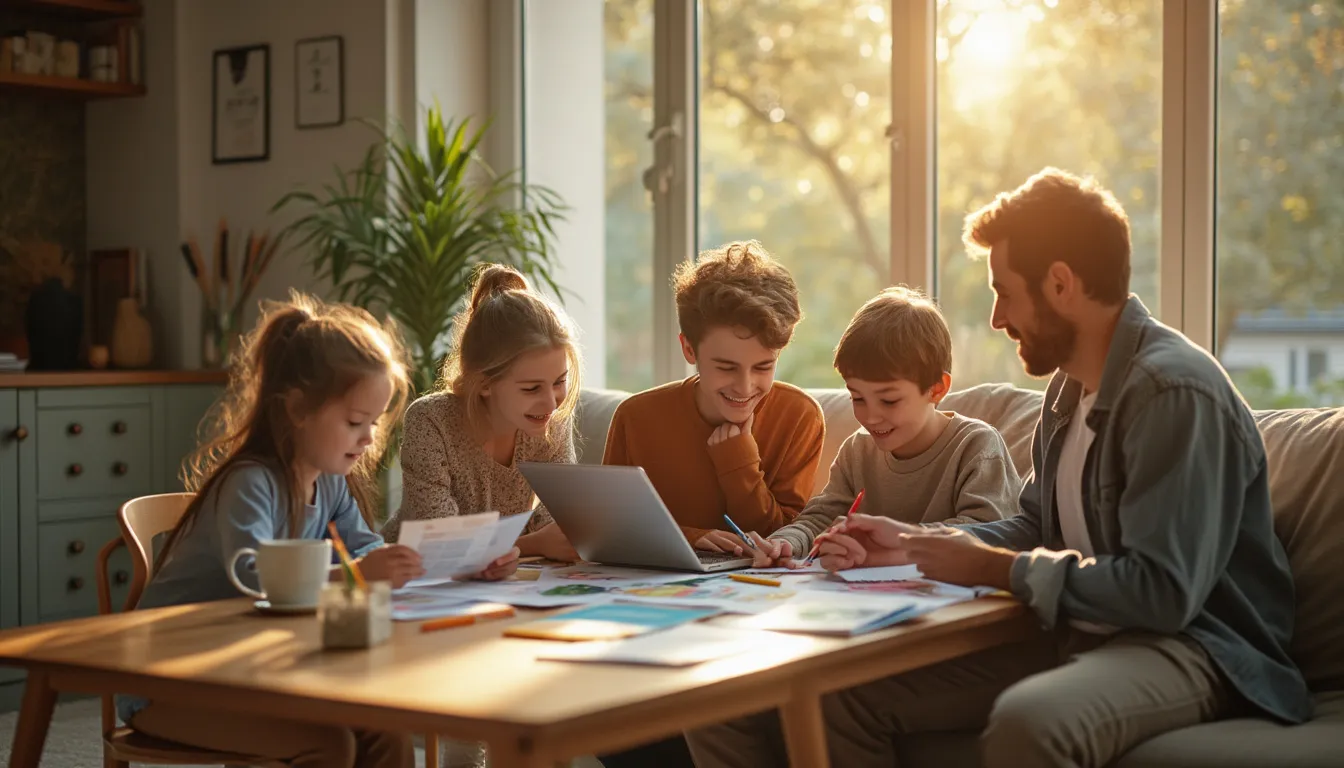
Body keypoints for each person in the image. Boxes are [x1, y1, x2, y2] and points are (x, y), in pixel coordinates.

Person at [688, 167, 1312, 768]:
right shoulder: (1072, 390)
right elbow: (1036, 523)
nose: (996, 318)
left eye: (1004, 292)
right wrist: (916, 545)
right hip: (1081, 632)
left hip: (1197, 647)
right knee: (837, 695)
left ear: (1061, 284)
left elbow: (1164, 593)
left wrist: (993, 568)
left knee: (1030, 721)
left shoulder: (1172, 392)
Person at [117, 294, 514, 767]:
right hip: (169, 680)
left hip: (249, 667)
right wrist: (357, 575)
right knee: (328, 745)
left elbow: (366, 549)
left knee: (386, 726)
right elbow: (253, 576)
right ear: (297, 410)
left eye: (373, 422)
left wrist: (464, 562)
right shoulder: (251, 482)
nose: (368, 438)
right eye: (353, 422)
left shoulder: (328, 483)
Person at [599, 240, 825, 768]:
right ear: (688, 349)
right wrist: (695, 535)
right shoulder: (638, 418)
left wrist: (739, 462)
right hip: (652, 615)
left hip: (756, 617)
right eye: (726, 366)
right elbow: (611, 532)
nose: (746, 387)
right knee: (609, 717)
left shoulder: (798, 416)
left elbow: (783, 537)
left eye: (764, 367)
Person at [749, 286, 1017, 569]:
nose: (871, 416)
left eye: (889, 400)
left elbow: (989, 533)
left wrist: (895, 541)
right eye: (857, 398)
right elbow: (820, 519)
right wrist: (786, 542)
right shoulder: (858, 449)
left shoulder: (976, 447)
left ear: (937, 389)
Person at [382, 264, 581, 562]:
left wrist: (546, 540)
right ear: (485, 383)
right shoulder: (430, 421)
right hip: (412, 578)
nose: (552, 403)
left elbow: (556, 524)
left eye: (559, 382)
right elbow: (441, 539)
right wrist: (533, 544)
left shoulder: (551, 422)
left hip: (500, 576)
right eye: (531, 389)